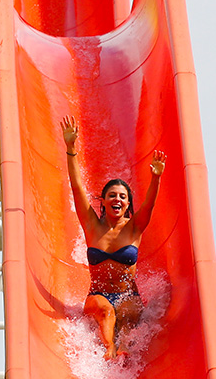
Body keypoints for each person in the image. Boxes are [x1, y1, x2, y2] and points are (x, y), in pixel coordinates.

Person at [60, 116, 166, 358]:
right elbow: (76, 188)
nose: (117, 199)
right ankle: (108, 349)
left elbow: (149, 205)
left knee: (128, 314)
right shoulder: (91, 226)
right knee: (107, 313)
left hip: (128, 294)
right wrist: (71, 149)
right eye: (112, 195)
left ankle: (125, 349)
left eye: (122, 196)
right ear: (104, 201)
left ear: (128, 203)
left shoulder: (135, 227)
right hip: (98, 295)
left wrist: (156, 177)